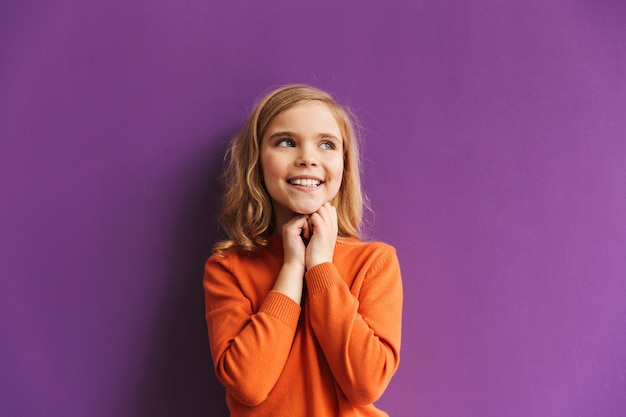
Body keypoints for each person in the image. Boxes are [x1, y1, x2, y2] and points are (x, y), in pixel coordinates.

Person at [203, 84, 403, 417]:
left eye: (326, 144)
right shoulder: (227, 267)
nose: (307, 158)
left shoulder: (375, 263)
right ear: (257, 161)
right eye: (286, 142)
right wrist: (292, 268)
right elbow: (248, 384)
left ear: (344, 165)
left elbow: (366, 383)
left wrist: (321, 267)